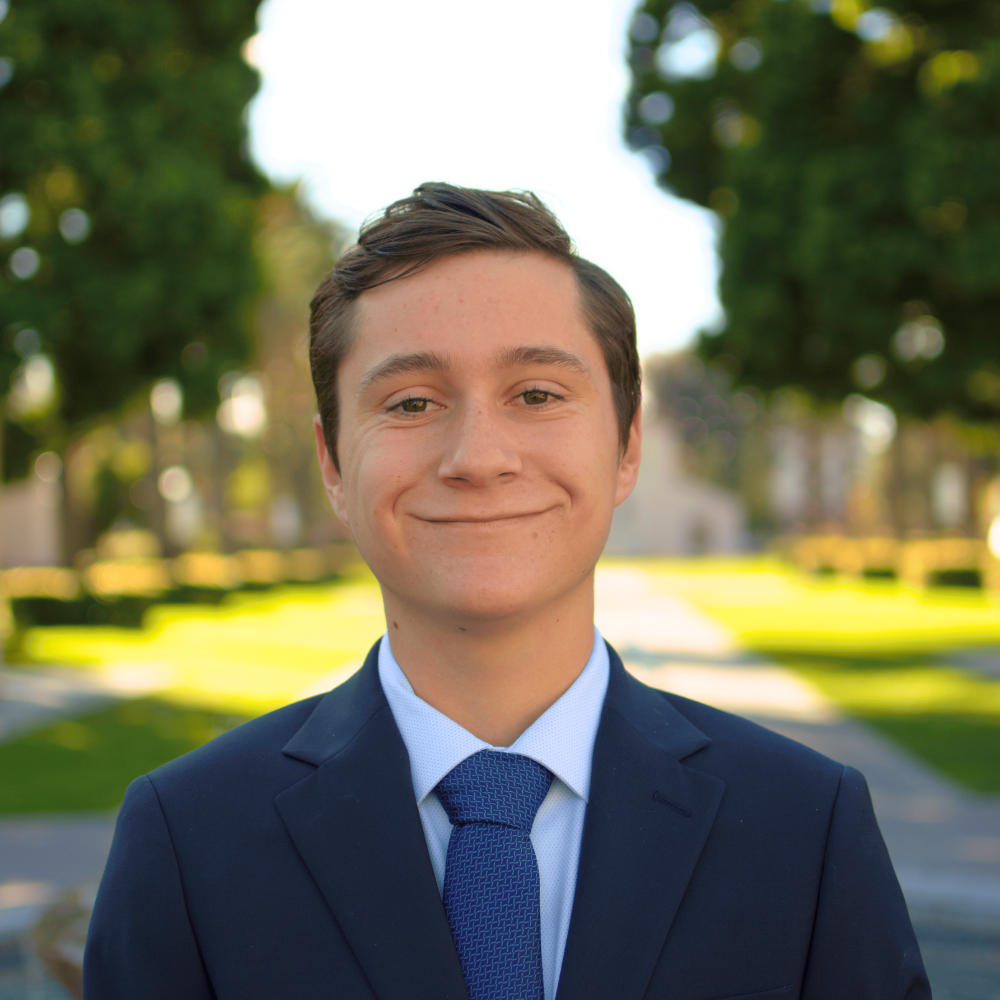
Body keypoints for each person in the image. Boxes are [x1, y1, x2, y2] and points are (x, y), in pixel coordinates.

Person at [83, 183, 930, 1000]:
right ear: (333, 463)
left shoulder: (806, 825)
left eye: (537, 394)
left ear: (628, 445)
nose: (479, 457)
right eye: (412, 403)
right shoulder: (186, 838)